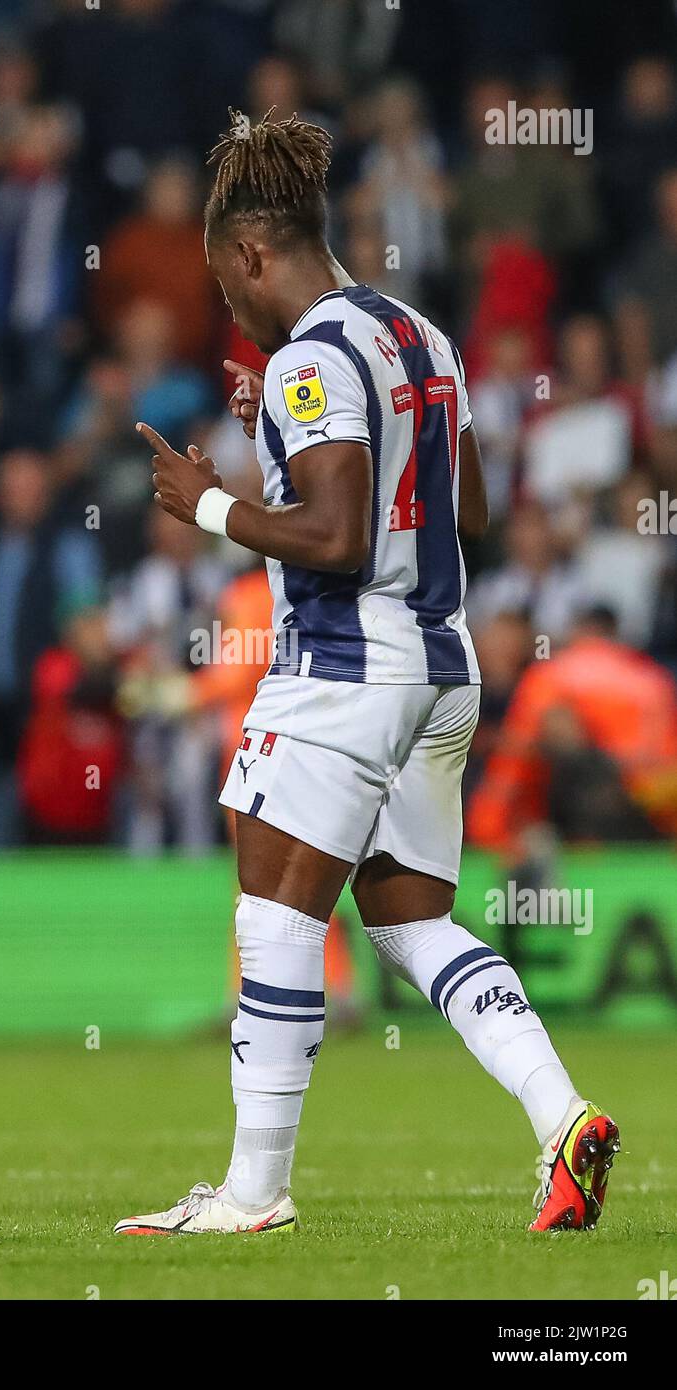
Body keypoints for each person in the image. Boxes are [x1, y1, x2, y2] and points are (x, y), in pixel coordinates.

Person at [113, 109, 619, 1238]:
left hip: (345, 663)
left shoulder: (307, 358)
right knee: (407, 922)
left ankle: (251, 1192)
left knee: (273, 911)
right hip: (442, 668)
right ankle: (561, 1116)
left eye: (224, 284)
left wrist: (206, 503)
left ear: (251, 253)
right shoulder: (422, 336)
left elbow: (336, 537)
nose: (229, 312)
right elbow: (471, 508)